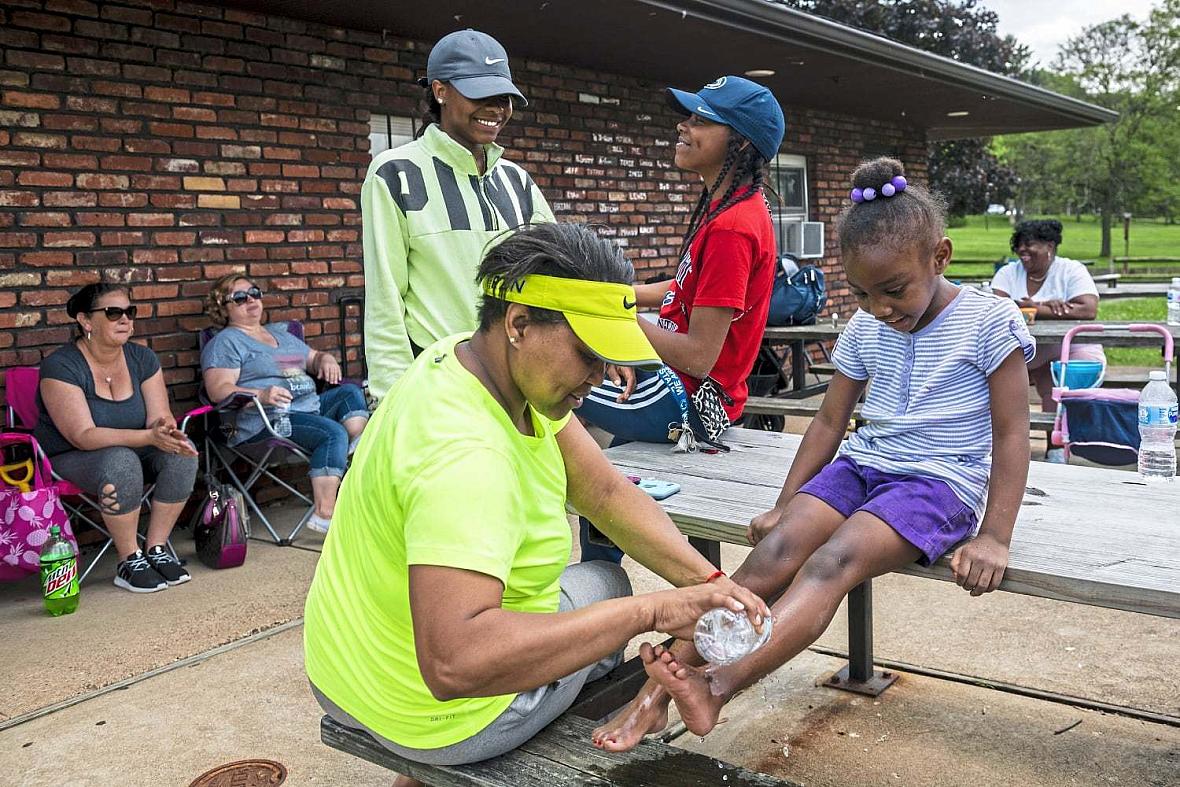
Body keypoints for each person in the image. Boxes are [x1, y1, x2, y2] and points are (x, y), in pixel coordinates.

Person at [592, 158, 1035, 752]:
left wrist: (994, 536)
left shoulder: (988, 321)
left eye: (894, 289)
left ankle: (716, 688)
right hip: (863, 464)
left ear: (941, 256)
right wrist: (785, 504)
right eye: (863, 292)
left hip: (938, 482)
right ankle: (649, 700)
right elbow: (829, 421)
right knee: (774, 551)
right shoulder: (866, 328)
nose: (880, 307)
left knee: (832, 563)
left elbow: (1011, 433)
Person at [304, 222, 770, 785]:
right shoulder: (467, 456)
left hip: (345, 669)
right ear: (520, 323)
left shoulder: (468, 359)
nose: (598, 379)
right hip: (442, 718)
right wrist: (651, 612)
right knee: (610, 588)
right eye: (586, 355)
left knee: (595, 588)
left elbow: (604, 491)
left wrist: (708, 581)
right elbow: (454, 663)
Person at [574, 75, 784, 561]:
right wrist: (622, 296)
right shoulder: (729, 208)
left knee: (545, 383)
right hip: (674, 386)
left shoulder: (733, 226)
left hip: (686, 401)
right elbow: (690, 292)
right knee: (606, 492)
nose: (683, 126)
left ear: (740, 142)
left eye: (700, 120)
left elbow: (699, 356)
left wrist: (612, 322)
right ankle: (598, 586)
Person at [362, 28, 555, 401]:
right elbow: (385, 298)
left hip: (521, 381)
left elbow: (556, 279)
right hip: (442, 388)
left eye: (504, 97)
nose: (497, 109)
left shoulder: (517, 180)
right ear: (440, 91)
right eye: (481, 94)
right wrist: (394, 400)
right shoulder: (395, 173)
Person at [34, 283, 198, 593]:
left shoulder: (142, 358)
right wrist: (147, 436)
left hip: (132, 450)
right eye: (113, 313)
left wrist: (165, 431)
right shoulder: (61, 365)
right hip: (70, 457)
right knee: (120, 460)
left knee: (182, 452)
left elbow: (158, 416)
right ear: (85, 321)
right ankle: (128, 559)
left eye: (129, 312)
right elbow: (83, 435)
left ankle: (156, 549)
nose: (125, 319)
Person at [201, 274, 369, 534]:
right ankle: (325, 513)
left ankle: (348, 444)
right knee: (331, 432)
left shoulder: (280, 335)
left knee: (348, 393)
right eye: (240, 297)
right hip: (267, 420)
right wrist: (261, 394)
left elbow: (313, 358)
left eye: (254, 292)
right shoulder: (225, 342)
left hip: (308, 408)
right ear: (224, 307)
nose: (251, 300)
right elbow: (218, 390)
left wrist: (325, 360)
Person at [990, 220, 1103, 450]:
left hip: (1065, 347)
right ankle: (1000, 446)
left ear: (1049, 246)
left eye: (1029, 244)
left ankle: (1061, 447)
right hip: (1019, 349)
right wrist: (1047, 307)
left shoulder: (1071, 270)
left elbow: (1088, 309)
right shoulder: (1009, 272)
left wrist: (1030, 307)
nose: (1022, 250)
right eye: (1019, 245)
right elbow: (995, 306)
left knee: (1059, 378)